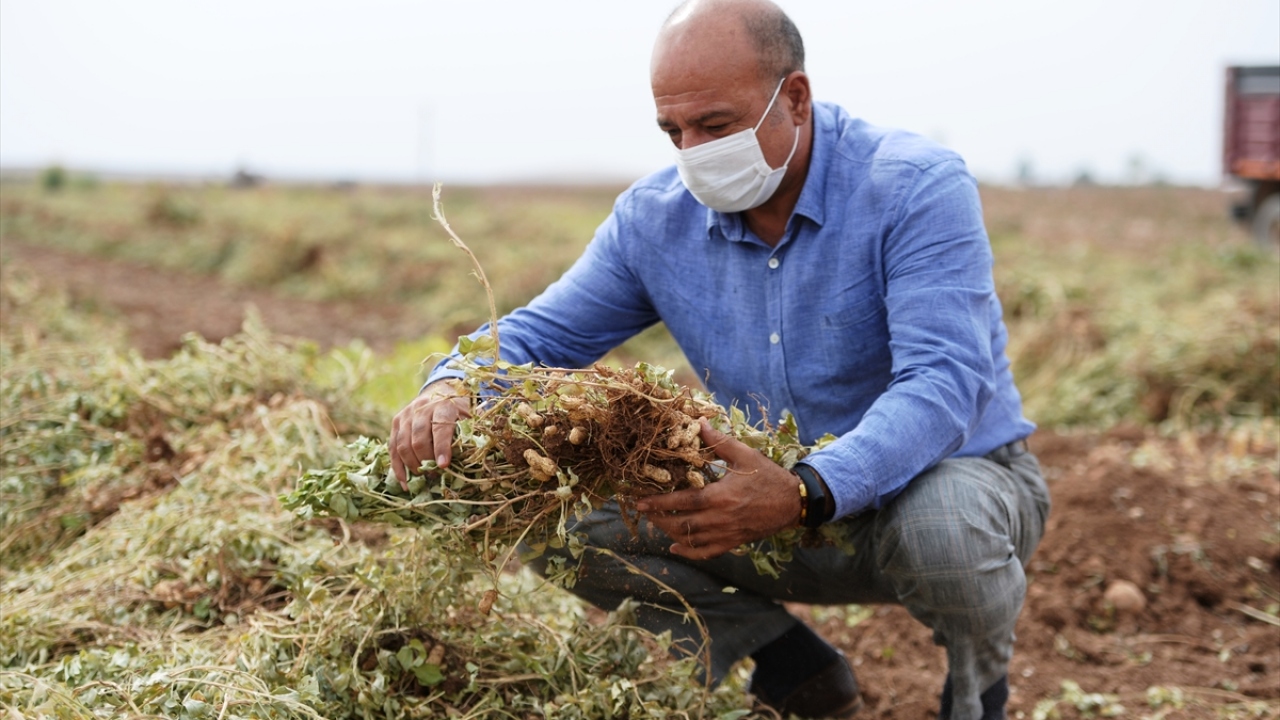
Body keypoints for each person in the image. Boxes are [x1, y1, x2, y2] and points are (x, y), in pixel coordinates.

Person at [390, 1, 1050, 718]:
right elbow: (538, 336)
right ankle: (789, 665)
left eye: (715, 125)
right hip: (761, 503)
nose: (694, 151)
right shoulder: (655, 220)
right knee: (548, 509)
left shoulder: (913, 186)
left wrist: (805, 490)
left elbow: (943, 382)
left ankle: (977, 690)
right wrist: (454, 385)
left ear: (795, 98)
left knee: (945, 529)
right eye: (673, 131)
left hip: (932, 488)